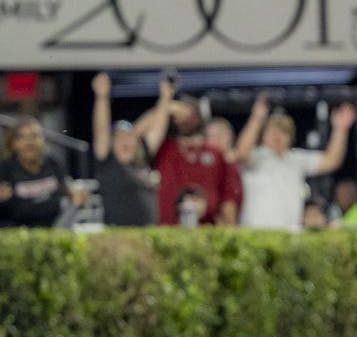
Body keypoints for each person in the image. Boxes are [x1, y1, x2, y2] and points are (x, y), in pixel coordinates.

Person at [233, 94, 355, 231]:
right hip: (256, 234)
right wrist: (256, 118)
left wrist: (340, 130)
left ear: (291, 137)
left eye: (283, 131)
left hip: (290, 235)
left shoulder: (296, 159)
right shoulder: (256, 156)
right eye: (272, 130)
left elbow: (331, 160)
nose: (277, 135)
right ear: (263, 135)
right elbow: (241, 153)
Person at [136, 80, 241, 227]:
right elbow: (134, 137)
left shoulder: (215, 152)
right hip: (167, 229)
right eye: (180, 114)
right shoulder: (164, 147)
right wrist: (164, 106)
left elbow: (228, 197)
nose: (185, 117)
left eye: (191, 112)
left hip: (207, 230)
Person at [90, 73, 156, 226]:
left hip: (147, 235)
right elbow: (101, 130)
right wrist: (102, 97)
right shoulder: (107, 162)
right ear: (112, 144)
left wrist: (167, 101)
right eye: (119, 137)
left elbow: (154, 126)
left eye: (129, 137)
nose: (125, 140)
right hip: (119, 236)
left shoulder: (141, 163)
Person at [0, 117, 82, 228]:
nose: (29, 142)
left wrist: (75, 192)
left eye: (34, 136)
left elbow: (68, 186)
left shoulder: (53, 163)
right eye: (22, 137)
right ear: (14, 144)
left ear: (42, 140)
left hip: (54, 228)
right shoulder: (5, 168)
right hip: (17, 232)